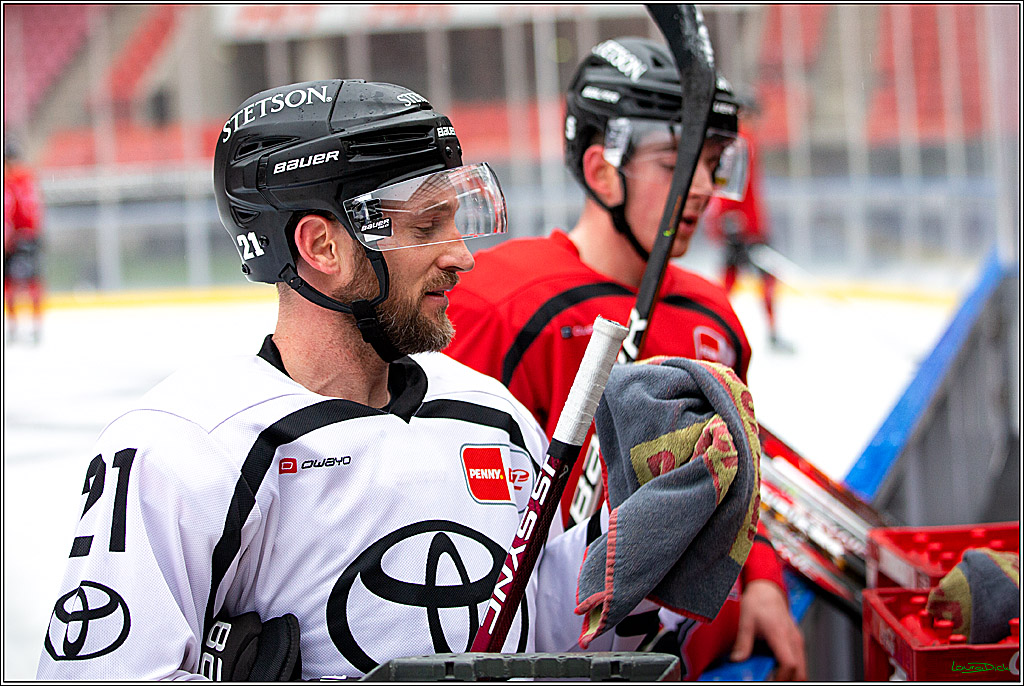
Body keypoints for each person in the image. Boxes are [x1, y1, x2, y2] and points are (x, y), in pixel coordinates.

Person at [36, 79, 672, 680]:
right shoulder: (186, 447)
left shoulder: (490, 413)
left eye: (455, 222)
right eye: (426, 227)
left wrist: (656, 525)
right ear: (322, 247)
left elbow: (541, 628)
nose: (462, 255)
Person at [445, 38, 806, 680]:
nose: (704, 189)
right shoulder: (502, 304)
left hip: (681, 651)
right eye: (678, 163)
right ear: (602, 170)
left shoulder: (712, 315)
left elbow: (732, 473)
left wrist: (762, 579)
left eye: (714, 164)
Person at [702, 118, 792, 351]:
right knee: (752, 278)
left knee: (734, 278)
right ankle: (719, 324)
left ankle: (717, 324)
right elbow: (729, 183)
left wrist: (720, 217)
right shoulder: (741, 140)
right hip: (745, 225)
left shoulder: (739, 140)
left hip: (744, 222)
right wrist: (725, 215)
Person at [4, 140, 45, 345]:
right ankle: (35, 327)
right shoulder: (29, 179)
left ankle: (14, 328)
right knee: (33, 281)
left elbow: (9, 210)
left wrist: (8, 237)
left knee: (10, 283)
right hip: (32, 235)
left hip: (16, 237)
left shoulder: (11, 181)